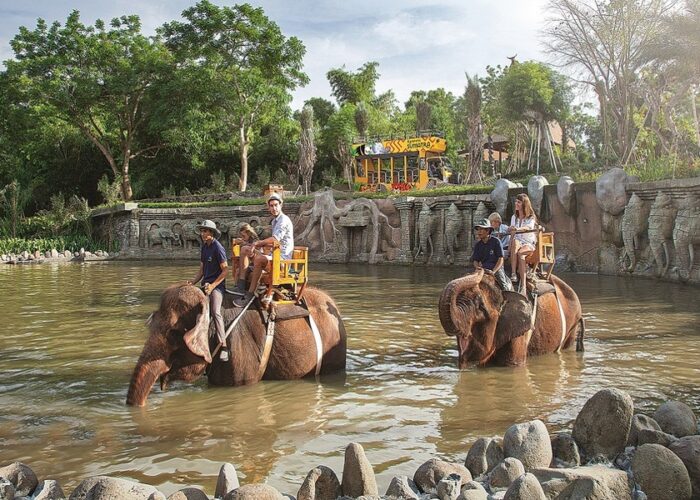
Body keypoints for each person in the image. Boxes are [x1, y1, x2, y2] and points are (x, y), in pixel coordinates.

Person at [233, 192, 294, 307]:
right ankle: (240, 286)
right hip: (273, 256)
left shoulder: (283, 220)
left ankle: (250, 294)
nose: (274, 208)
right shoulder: (275, 221)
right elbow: (274, 243)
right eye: (271, 206)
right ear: (268, 207)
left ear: (281, 205)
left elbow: (275, 239)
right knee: (245, 249)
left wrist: (257, 243)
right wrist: (255, 245)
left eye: (276, 205)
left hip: (282, 261)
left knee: (259, 259)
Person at [188, 219, 228, 355]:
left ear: (212, 233)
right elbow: (201, 269)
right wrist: (192, 282)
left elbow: (225, 271)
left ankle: (223, 345)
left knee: (216, 311)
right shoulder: (204, 247)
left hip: (217, 286)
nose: (202, 234)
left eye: (205, 231)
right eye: (202, 231)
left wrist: (213, 286)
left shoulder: (218, 248)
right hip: (204, 284)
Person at [470, 219, 513, 291]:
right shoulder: (478, 245)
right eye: (478, 229)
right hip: (483, 269)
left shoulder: (496, 241)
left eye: (481, 229)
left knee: (504, 285)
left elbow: (500, 259)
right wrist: (478, 268)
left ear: (487, 231)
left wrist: (494, 271)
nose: (479, 232)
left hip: (496, 268)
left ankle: (508, 295)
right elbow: (475, 260)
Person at [508, 193, 538, 294]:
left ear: (524, 204)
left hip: (528, 243)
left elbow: (528, 228)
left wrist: (517, 229)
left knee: (521, 253)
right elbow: (512, 232)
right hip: (517, 242)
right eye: (516, 201)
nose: (516, 203)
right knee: (515, 242)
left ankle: (524, 287)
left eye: (519, 202)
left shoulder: (531, 217)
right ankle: (513, 274)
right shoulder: (514, 217)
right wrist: (511, 232)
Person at [231, 223, 260, 295]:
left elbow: (257, 253)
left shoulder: (256, 242)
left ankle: (241, 288)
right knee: (237, 271)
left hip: (257, 265)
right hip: (250, 264)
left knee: (239, 271)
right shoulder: (246, 241)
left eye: (243, 236)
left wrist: (245, 244)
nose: (242, 237)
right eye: (241, 236)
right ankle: (237, 287)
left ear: (249, 234)